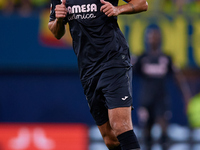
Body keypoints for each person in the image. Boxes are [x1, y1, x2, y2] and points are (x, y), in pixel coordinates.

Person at [48, 0, 148, 150]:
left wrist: (118, 9)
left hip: (113, 59)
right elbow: (56, 32)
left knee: (120, 126)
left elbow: (142, 3)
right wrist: (59, 19)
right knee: (110, 139)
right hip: (88, 68)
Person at [132, 25, 191, 150]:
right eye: (150, 36)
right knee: (147, 134)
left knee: (164, 131)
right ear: (146, 39)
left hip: (161, 99)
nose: (153, 39)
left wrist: (186, 98)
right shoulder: (142, 58)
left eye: (155, 36)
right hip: (146, 99)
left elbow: (178, 78)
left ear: (160, 39)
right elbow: (128, 76)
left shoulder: (166, 58)